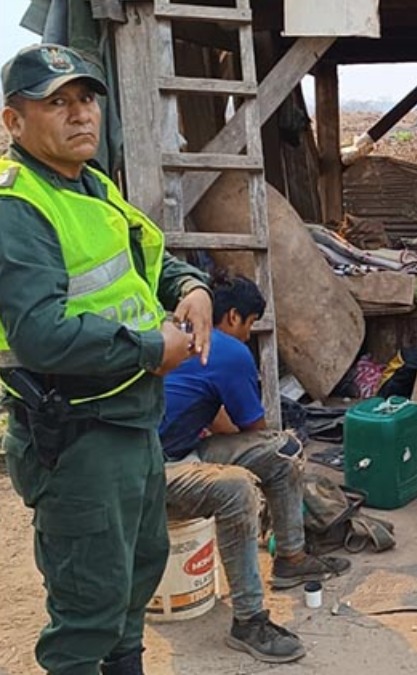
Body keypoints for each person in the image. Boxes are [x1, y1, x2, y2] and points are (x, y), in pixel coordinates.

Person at [0, 44, 212, 674]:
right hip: (79, 438)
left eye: (86, 98)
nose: (79, 115)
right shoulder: (18, 207)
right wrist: (152, 350)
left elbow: (141, 261)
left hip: (128, 424)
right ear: (14, 121)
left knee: (131, 590)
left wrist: (189, 286)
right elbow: (40, 333)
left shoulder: (90, 182)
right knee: (87, 611)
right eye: (56, 103)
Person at [159, 274, 350, 664]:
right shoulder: (228, 350)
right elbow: (252, 428)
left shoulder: (183, 334)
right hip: (151, 469)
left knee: (282, 450)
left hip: (178, 450)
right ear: (232, 316)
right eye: (248, 325)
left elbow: (217, 419)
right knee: (238, 487)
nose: (248, 335)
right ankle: (248, 620)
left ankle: (291, 560)